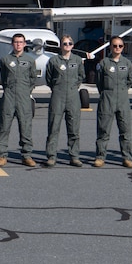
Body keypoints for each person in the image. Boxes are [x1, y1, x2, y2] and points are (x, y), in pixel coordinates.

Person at [0, 33, 38, 167]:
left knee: (25, 126)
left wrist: (25, 91)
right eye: (16, 42)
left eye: (20, 42)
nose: (18, 44)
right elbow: (3, 77)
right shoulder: (5, 60)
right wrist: (9, 90)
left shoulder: (30, 61)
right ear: (12, 44)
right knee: (4, 125)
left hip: (24, 97)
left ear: (24, 44)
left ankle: (27, 155)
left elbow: (32, 79)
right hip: (9, 95)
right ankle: (1, 154)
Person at [43, 35, 87, 167]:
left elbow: (81, 76)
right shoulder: (53, 61)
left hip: (73, 96)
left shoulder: (78, 60)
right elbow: (49, 78)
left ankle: (74, 156)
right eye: (64, 43)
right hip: (58, 95)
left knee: (74, 128)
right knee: (53, 126)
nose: (67, 45)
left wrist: (73, 87)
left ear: (73, 45)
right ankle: (51, 156)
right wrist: (57, 88)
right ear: (61, 46)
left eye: (70, 43)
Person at [93, 36, 132, 168]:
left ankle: (127, 157)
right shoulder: (103, 63)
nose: (117, 48)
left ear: (123, 47)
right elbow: (99, 82)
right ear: (110, 47)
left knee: (125, 130)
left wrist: (121, 91)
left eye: (120, 46)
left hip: (122, 99)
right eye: (115, 46)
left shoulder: (127, 63)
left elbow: (130, 80)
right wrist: (106, 93)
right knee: (103, 130)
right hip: (107, 98)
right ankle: (100, 156)